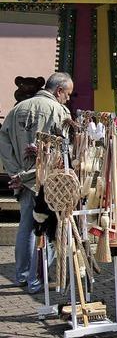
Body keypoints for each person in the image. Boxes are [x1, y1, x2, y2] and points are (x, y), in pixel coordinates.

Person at [0, 72, 73, 293]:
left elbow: (2, 140)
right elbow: (64, 149)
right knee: (46, 228)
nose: (68, 99)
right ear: (59, 91)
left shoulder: (18, 108)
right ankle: (35, 278)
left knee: (26, 226)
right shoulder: (59, 111)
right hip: (46, 179)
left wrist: (15, 172)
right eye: (67, 94)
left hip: (21, 178)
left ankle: (23, 276)